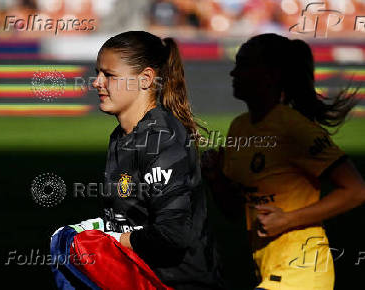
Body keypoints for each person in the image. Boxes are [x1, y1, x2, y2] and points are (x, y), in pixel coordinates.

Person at [51, 31, 223, 289]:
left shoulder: (161, 140)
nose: (97, 83)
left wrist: (112, 240)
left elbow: (173, 234)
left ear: (145, 79)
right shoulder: (121, 136)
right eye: (98, 73)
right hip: (142, 277)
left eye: (109, 75)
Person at [202, 33, 365, 290]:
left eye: (244, 65)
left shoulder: (293, 127)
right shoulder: (239, 127)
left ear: (271, 75)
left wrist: (287, 219)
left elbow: (356, 190)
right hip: (269, 271)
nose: (233, 73)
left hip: (303, 272)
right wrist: (216, 178)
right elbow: (234, 210)